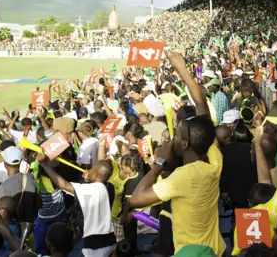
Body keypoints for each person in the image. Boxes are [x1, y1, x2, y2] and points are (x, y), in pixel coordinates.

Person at [129, 51, 226, 256]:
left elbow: (136, 200)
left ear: (185, 145)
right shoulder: (214, 157)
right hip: (216, 249)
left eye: (177, 134)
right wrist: (182, 68)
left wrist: (160, 162)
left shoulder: (184, 176)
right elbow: (201, 105)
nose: (172, 137)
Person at [38, 154, 117, 257]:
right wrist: (88, 181)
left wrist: (44, 164)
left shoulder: (90, 190)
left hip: (94, 248)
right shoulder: (109, 188)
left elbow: (63, 185)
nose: (88, 170)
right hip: (110, 241)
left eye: (91, 169)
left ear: (96, 175)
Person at [0, 146, 39, 224]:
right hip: (33, 223)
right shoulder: (30, 176)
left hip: (16, 227)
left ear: (5, 164)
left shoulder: (2, 188)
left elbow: (3, 215)